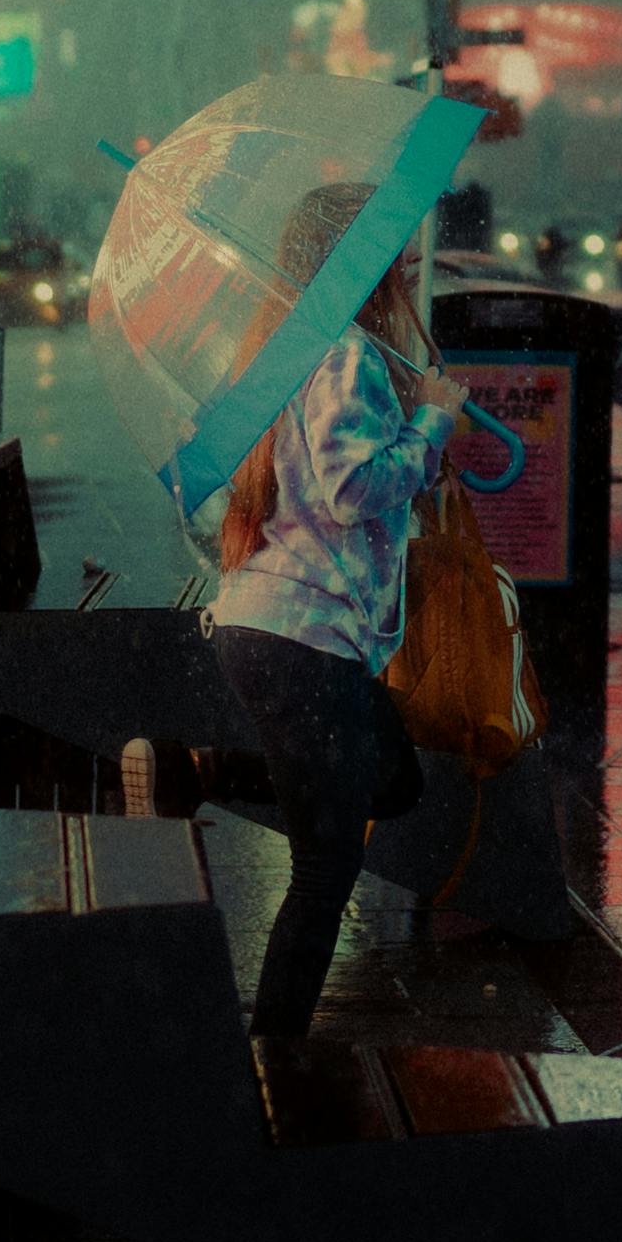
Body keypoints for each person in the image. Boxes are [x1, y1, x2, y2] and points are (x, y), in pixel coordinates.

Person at [199, 184, 453, 1049]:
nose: (409, 281)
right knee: (325, 866)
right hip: (306, 635)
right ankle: (271, 1061)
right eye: (402, 264)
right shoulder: (344, 354)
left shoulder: (282, 348)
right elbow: (353, 489)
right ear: (363, 266)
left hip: (270, 626)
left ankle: (197, 770)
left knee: (394, 778)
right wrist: (431, 427)